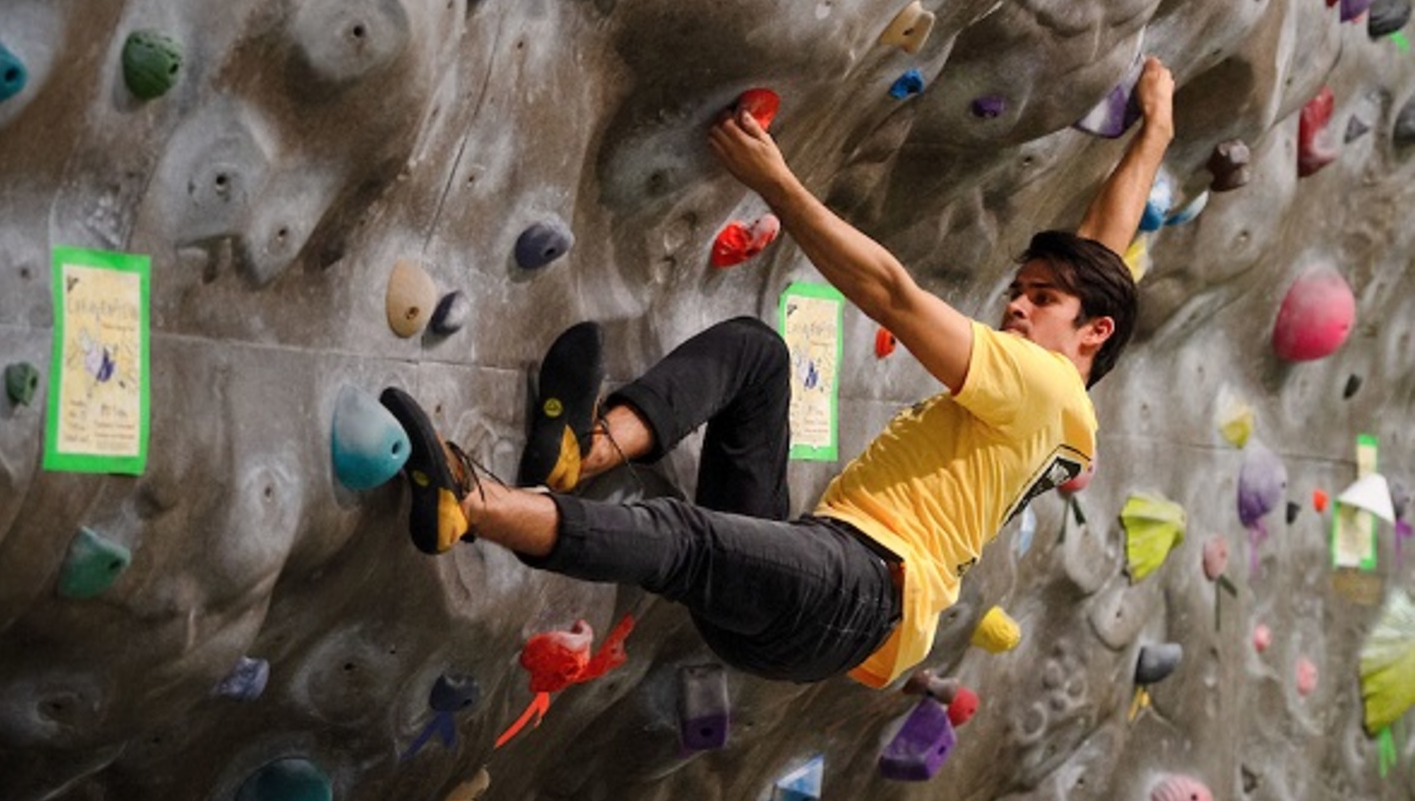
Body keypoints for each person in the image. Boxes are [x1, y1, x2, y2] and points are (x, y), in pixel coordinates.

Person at [380, 58, 1176, 688]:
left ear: (1092, 333)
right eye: (1019, 292)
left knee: (683, 538)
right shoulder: (1062, 407)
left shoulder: (1041, 383)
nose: (1016, 308)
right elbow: (1102, 254)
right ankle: (581, 454)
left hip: (857, 591)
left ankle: (472, 505)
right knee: (757, 356)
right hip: (814, 583)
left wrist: (777, 184)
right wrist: (1157, 130)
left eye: (1039, 299)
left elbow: (889, 294)